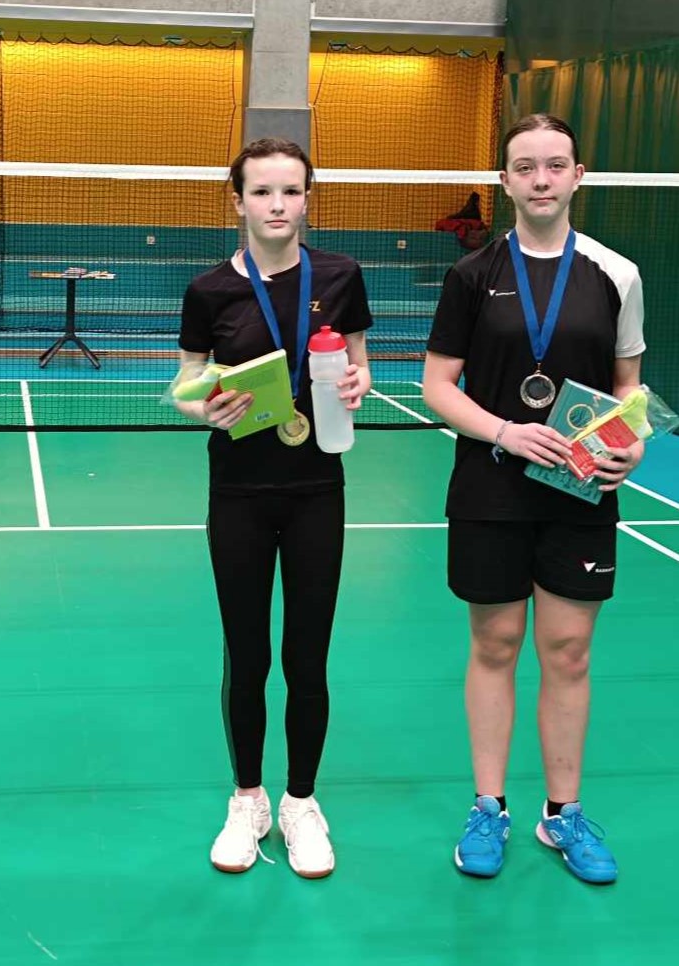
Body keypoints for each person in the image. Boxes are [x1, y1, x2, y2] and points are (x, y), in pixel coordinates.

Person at [423, 114, 645, 884]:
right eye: (526, 167)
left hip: (579, 488)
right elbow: (437, 385)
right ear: (506, 181)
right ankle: (489, 806)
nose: (541, 179)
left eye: (555, 165)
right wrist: (505, 432)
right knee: (495, 645)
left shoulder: (617, 274)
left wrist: (631, 442)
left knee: (569, 651)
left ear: (578, 175)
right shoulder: (470, 274)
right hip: (490, 485)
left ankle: (563, 814)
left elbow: (628, 386)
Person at [175, 137, 373, 878]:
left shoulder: (340, 276)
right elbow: (187, 382)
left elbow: (358, 366)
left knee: (307, 655)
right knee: (248, 653)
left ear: (307, 197)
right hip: (238, 493)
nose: (278, 204)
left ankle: (301, 802)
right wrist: (204, 406)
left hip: (318, 489)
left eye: (291, 190)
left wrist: (359, 383)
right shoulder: (208, 291)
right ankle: (248, 798)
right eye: (262, 191)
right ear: (239, 201)